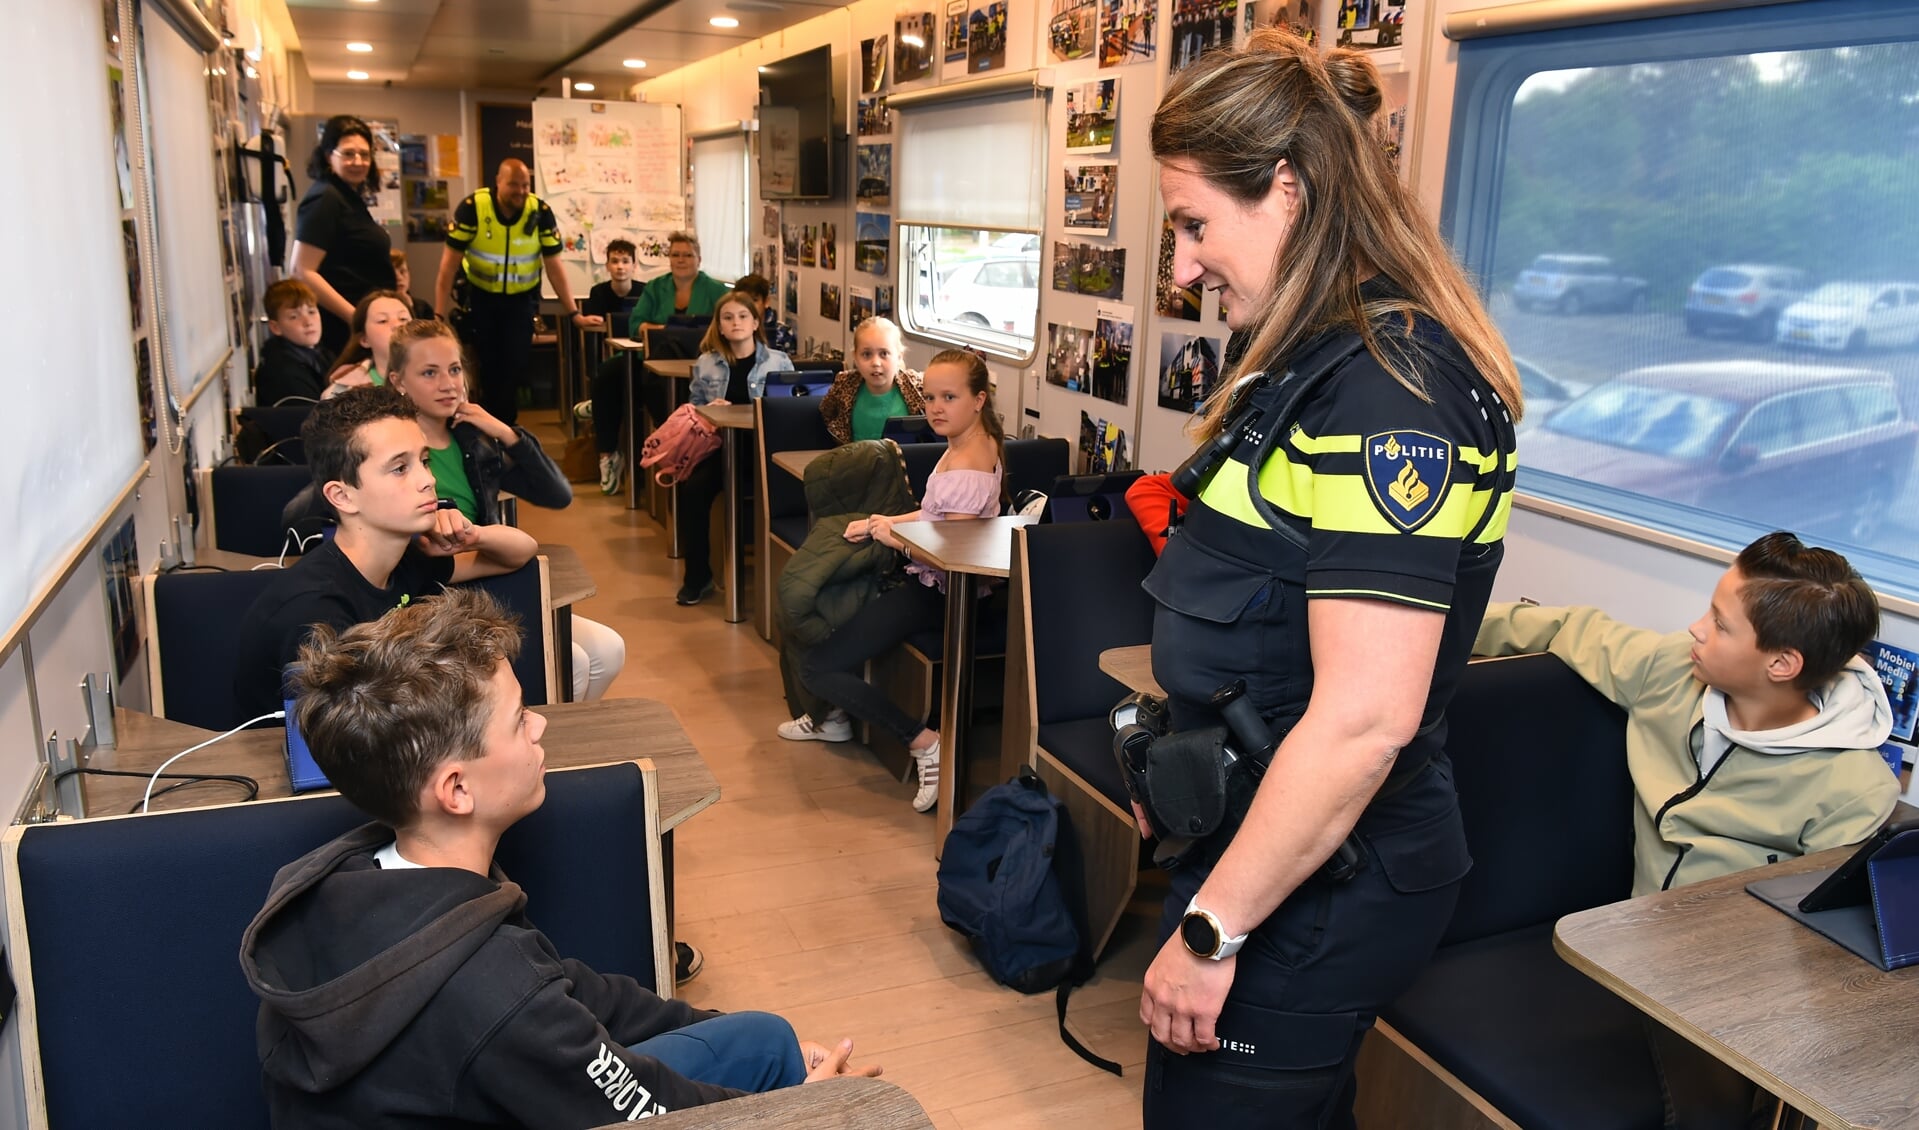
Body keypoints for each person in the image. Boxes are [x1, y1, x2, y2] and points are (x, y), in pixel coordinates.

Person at [1134, 31, 1523, 1128]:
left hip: (1321, 885)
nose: (1182, 268)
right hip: (1267, 850)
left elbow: (1360, 720)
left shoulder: (1388, 394)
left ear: (1289, 192)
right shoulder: (1311, 365)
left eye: (1193, 224)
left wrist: (1213, 930)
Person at [241, 588, 882, 1126]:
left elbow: (578, 991)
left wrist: (728, 1032)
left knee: (764, 1038)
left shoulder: (357, 876)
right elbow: (647, 1115)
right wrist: (807, 1111)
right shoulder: (497, 997)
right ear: (457, 789)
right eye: (520, 720)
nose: (542, 727)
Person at [1473, 532, 1899, 1130]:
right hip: (1626, 947)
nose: (1697, 629)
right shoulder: (1671, 672)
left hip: (1734, 986)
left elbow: (1817, 948)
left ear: (1781, 664)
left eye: (1721, 625)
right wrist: (1418, 627)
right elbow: (1564, 627)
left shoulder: (1854, 789)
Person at [232, 387, 537, 721]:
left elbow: (520, 552)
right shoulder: (316, 612)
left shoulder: (406, 558)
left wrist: (472, 535)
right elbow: (347, 742)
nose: (428, 479)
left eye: (423, 461)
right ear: (343, 496)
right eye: (399, 468)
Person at [784, 351, 1005, 812]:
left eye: (950, 397)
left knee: (817, 666)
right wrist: (879, 521)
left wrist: (896, 540)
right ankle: (835, 712)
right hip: (928, 586)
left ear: (979, 399)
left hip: (937, 596)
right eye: (929, 397)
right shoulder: (967, 444)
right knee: (836, 610)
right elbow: (934, 517)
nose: (936, 407)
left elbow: (953, 555)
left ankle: (922, 740)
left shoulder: (971, 460)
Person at [381, 317, 627, 703]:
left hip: (491, 580)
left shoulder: (472, 441)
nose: (448, 384)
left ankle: (543, 745)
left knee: (609, 650)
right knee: (574, 663)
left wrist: (507, 433)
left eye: (455, 369)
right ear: (398, 381)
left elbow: (557, 494)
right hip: (435, 598)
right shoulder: (387, 448)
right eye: (429, 373)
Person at [436, 159, 585, 428]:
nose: (520, 190)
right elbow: (448, 267)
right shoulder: (474, 209)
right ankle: (492, 428)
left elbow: (554, 267)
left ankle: (502, 428)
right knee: (488, 368)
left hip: (521, 302)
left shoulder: (539, 211)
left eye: (525, 184)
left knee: (514, 368)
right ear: (498, 182)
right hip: (482, 299)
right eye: (513, 185)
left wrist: (573, 312)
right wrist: (437, 313)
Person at [674, 291, 793, 606]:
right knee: (693, 490)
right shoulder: (706, 363)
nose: (736, 323)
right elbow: (692, 409)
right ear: (720, 326)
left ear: (755, 322)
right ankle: (697, 578)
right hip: (720, 448)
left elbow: (795, 408)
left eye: (743, 316)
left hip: (763, 451)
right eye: (728, 317)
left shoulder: (779, 361)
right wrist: (707, 408)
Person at [291, 116, 396, 359]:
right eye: (348, 154)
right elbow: (301, 271)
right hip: (345, 332)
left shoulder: (347, 195)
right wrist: (357, 319)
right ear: (329, 156)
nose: (358, 161)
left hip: (364, 327)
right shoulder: (325, 198)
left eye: (364, 154)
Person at [576, 238, 646, 495]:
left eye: (625, 261)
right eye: (615, 261)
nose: (620, 267)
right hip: (611, 357)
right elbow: (595, 324)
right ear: (607, 265)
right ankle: (607, 453)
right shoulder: (599, 292)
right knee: (608, 376)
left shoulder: (645, 291)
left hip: (635, 356)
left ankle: (598, 403)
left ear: (634, 265)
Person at [817, 317, 924, 444]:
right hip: (854, 460)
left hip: (903, 461)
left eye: (884, 354)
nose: (875, 363)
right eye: (867, 354)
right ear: (855, 357)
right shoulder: (844, 384)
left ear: (899, 356)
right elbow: (826, 412)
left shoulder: (917, 386)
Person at [253, 278, 331, 404]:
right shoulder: (281, 372)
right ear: (275, 327)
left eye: (311, 312)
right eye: (294, 316)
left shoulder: (319, 352)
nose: (308, 322)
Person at [323, 289, 413, 396]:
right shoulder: (344, 390)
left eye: (403, 319)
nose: (397, 325)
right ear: (364, 340)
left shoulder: (436, 379)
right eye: (383, 320)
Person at [729, 273, 798, 355]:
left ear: (766, 302)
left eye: (754, 300)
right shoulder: (730, 328)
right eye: (744, 300)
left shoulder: (783, 333)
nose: (749, 305)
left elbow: (787, 365)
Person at [389, 248, 435, 321]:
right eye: (392, 273)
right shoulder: (374, 308)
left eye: (402, 271)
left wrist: (411, 309)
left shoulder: (423, 308)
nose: (399, 278)